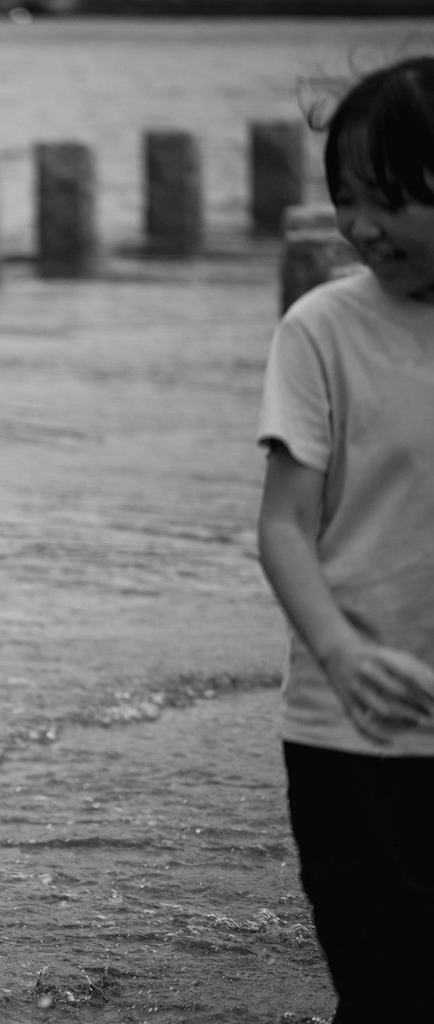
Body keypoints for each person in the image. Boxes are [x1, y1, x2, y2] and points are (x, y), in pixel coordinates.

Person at [256, 55, 434, 1024]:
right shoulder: (320, 328)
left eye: (391, 200)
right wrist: (343, 651)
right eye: (345, 198)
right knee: (383, 991)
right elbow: (284, 522)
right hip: (345, 730)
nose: (360, 226)